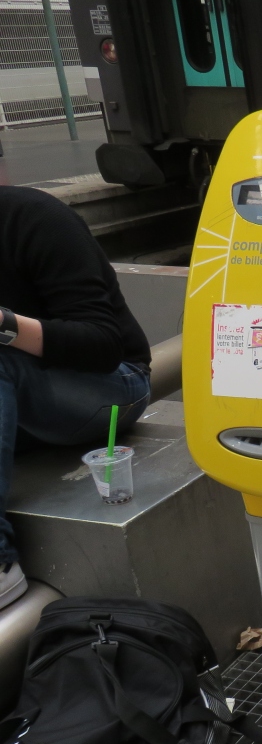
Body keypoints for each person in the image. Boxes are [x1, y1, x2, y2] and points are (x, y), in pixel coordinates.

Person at [0, 186, 151, 608]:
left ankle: (1, 565)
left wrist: (4, 326)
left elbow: (102, 345)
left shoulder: (34, 217)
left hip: (112, 384)